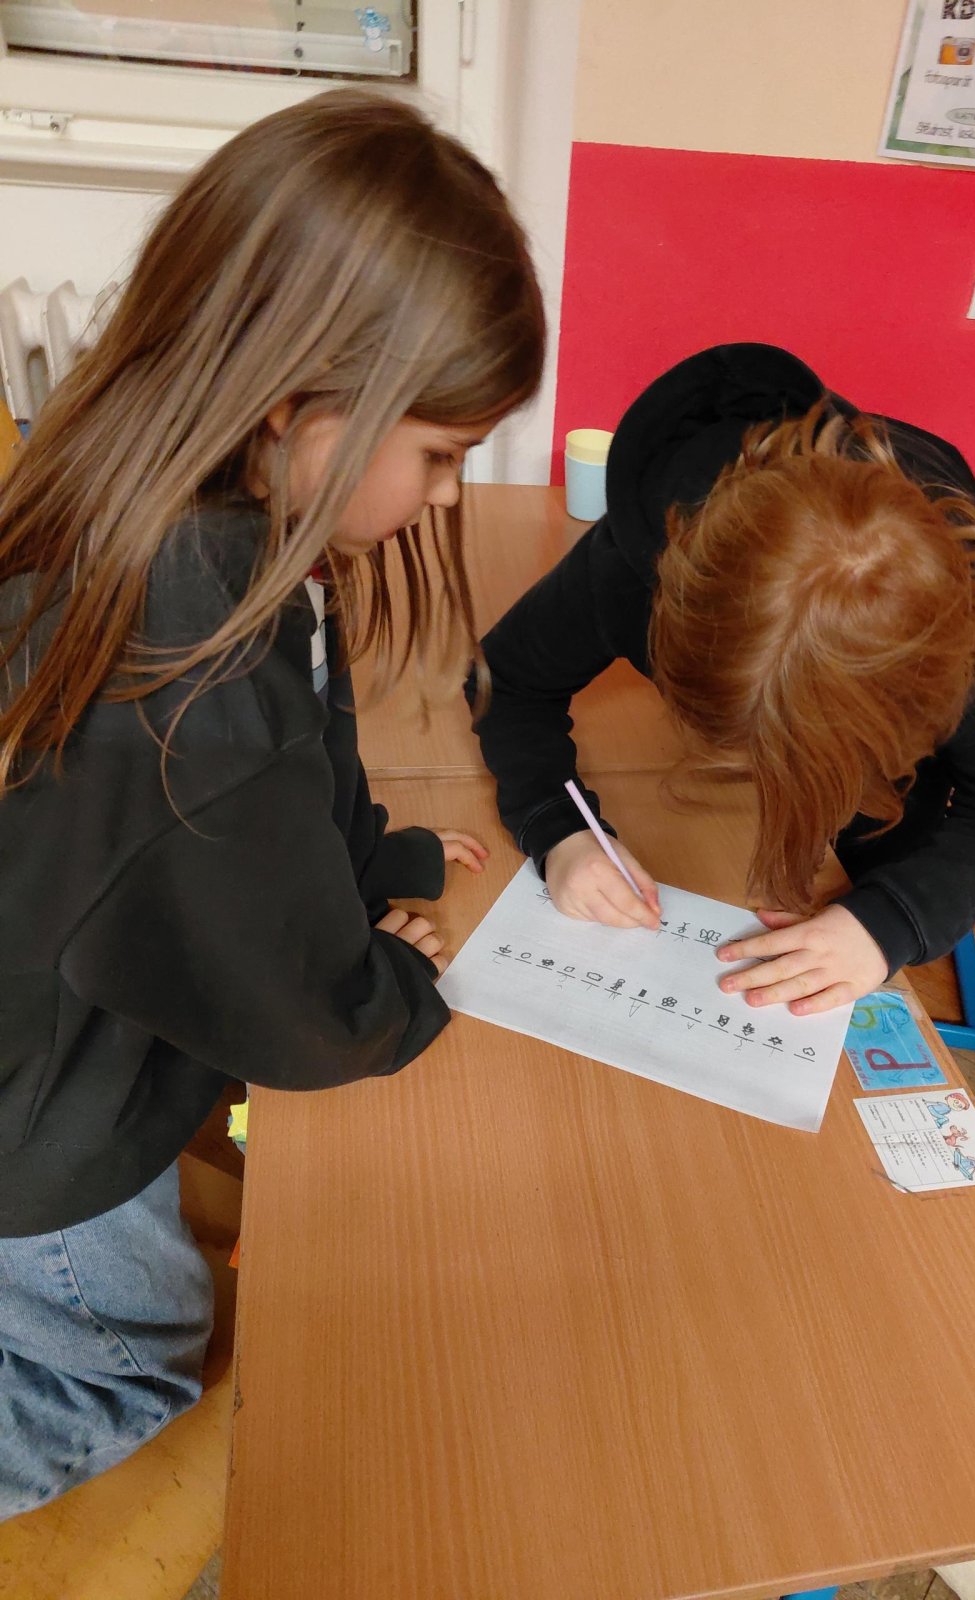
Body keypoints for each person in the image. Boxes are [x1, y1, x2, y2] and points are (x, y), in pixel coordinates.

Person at [0, 89, 544, 1517]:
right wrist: (393, 990)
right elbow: (298, 1020)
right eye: (441, 454)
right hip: (34, 1137)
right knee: (128, 1369)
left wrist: (381, 861)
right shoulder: (188, 682)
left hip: (49, 1021)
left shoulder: (184, 515)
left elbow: (300, 766)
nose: (446, 498)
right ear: (300, 405)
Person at [470, 344, 975, 1018]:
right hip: (733, 820)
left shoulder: (970, 629)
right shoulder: (636, 565)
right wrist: (560, 829)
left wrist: (887, 922)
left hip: (880, 829)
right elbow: (507, 679)